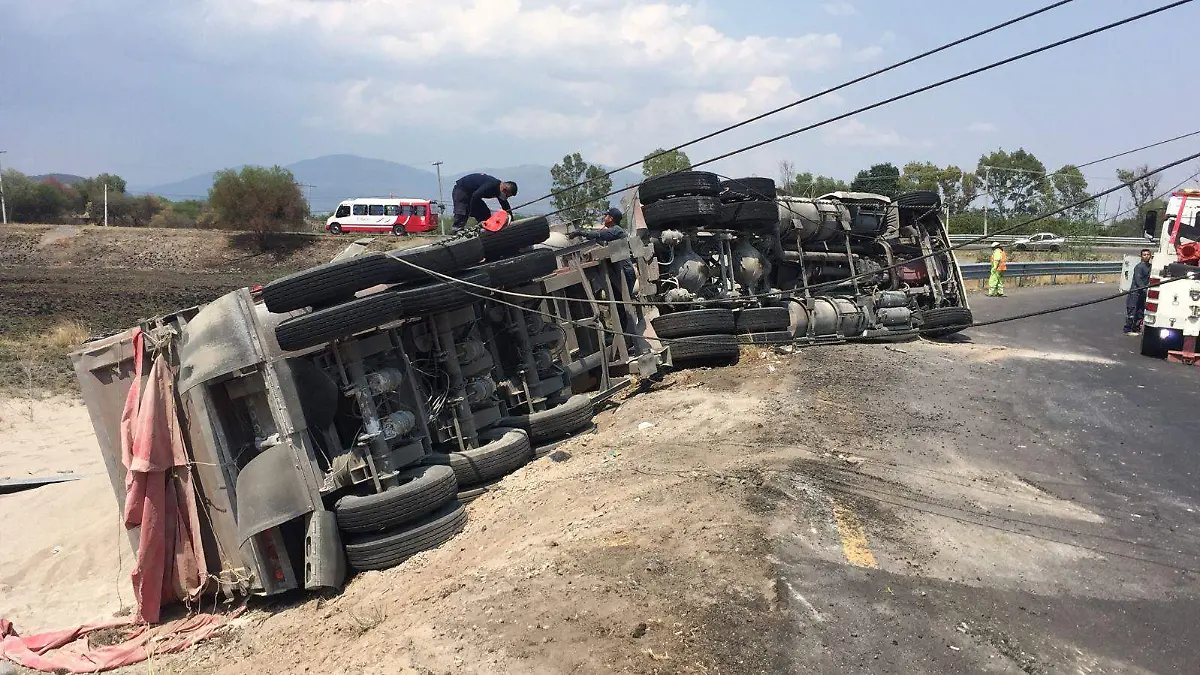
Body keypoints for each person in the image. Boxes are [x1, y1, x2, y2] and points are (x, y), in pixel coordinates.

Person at [570, 207, 636, 296]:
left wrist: (580, 233)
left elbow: (598, 235)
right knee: (619, 297)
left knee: (622, 297)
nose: (604, 217)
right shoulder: (613, 231)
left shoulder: (616, 230)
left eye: (606, 215)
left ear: (611, 219)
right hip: (619, 270)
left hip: (624, 271)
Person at [451, 173, 517, 232]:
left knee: (485, 213)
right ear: (504, 189)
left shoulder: (499, 191)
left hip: (473, 195)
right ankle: (457, 229)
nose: (506, 198)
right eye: (507, 196)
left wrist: (511, 220)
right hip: (462, 190)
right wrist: (471, 210)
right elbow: (475, 196)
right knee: (462, 210)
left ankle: (485, 228)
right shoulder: (491, 185)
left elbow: (505, 206)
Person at [1124, 248, 1153, 335]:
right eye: (1144, 255)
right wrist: (1144, 289)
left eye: (1148, 254)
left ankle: (1135, 328)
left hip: (1142, 293)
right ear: (1141, 256)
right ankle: (1128, 329)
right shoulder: (1139, 267)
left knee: (1140, 311)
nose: (1146, 256)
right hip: (1135, 292)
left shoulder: (1150, 266)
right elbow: (1138, 280)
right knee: (1132, 310)